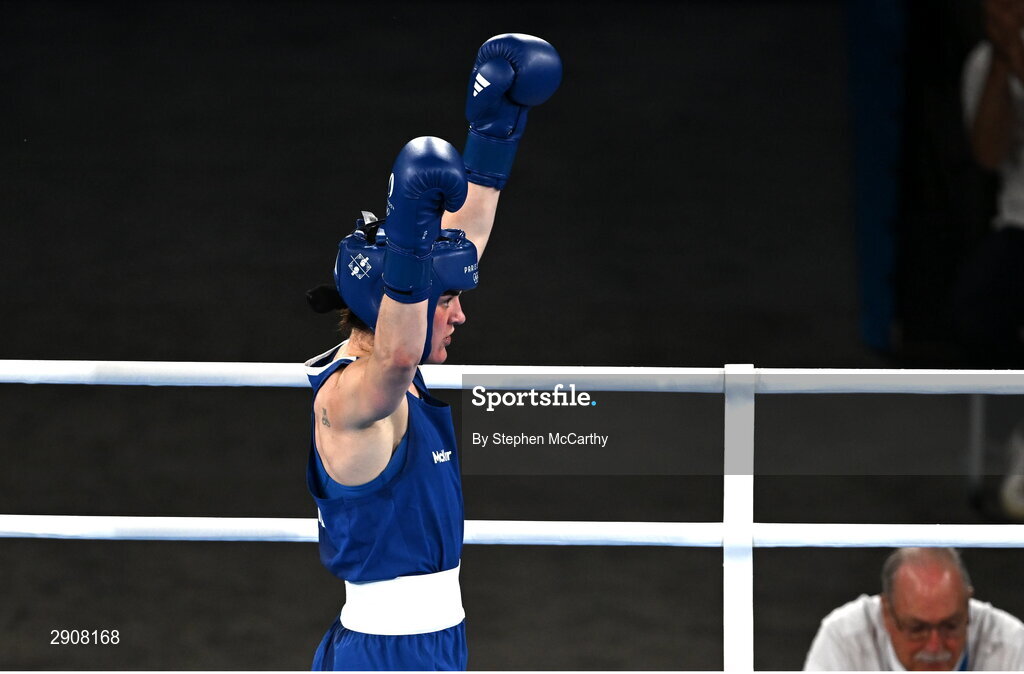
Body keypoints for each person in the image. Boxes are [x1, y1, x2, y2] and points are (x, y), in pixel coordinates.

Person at [302, 35, 561, 671]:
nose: (461, 313)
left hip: (437, 642)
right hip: (384, 654)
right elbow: (394, 356)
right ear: (401, 302)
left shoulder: (398, 365)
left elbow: (464, 240)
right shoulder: (352, 397)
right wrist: (410, 232)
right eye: (444, 303)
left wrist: (497, 128)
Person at [958, 0, 1024, 520]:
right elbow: (986, 154)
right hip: (1019, 225)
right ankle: (1014, 436)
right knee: (980, 301)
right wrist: (1005, 63)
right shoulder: (984, 63)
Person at [803, 548, 1024, 670]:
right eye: (917, 628)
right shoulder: (845, 637)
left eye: (950, 626)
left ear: (968, 609)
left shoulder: (1012, 644)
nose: (935, 645)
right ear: (887, 614)